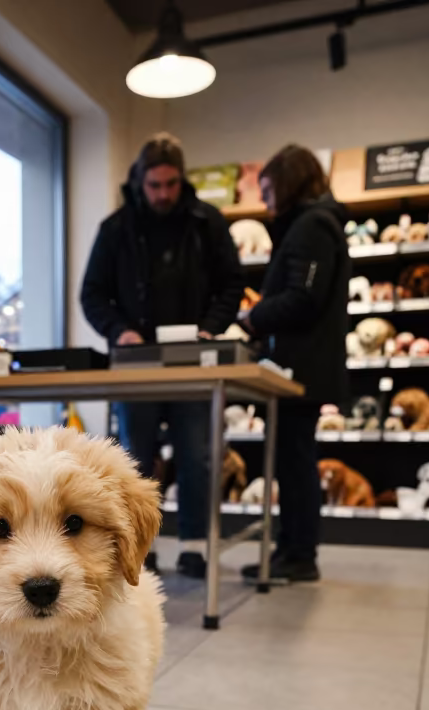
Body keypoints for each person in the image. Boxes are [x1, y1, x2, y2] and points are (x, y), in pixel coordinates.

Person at [81, 132, 243, 578]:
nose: (164, 194)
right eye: (155, 186)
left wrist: (212, 325)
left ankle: (193, 545)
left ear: (181, 180)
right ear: (139, 181)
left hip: (195, 364)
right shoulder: (115, 229)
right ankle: (138, 547)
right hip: (138, 367)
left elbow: (232, 283)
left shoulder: (207, 222)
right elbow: (92, 293)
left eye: (171, 184)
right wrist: (119, 331)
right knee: (135, 460)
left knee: (197, 456)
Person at [240, 145, 349, 583]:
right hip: (305, 367)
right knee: (293, 460)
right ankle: (292, 549)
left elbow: (304, 297)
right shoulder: (317, 224)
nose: (265, 200)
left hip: (300, 371)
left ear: (287, 182)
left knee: (294, 462)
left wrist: (254, 316)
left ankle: (299, 553)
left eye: (268, 189)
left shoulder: (311, 226)